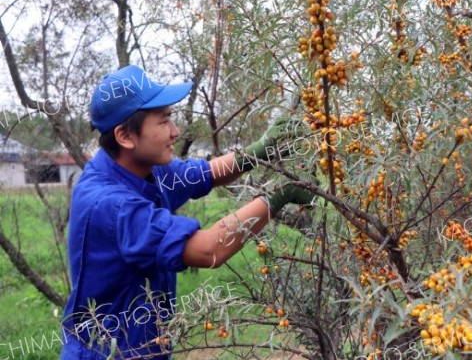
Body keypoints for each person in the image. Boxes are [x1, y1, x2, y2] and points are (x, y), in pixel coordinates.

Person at [59, 65, 315, 359]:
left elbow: (204, 173)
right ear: (125, 136)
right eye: (164, 121)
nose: (175, 131)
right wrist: (278, 195)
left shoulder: (138, 168)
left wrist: (261, 149)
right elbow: (208, 250)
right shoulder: (110, 204)